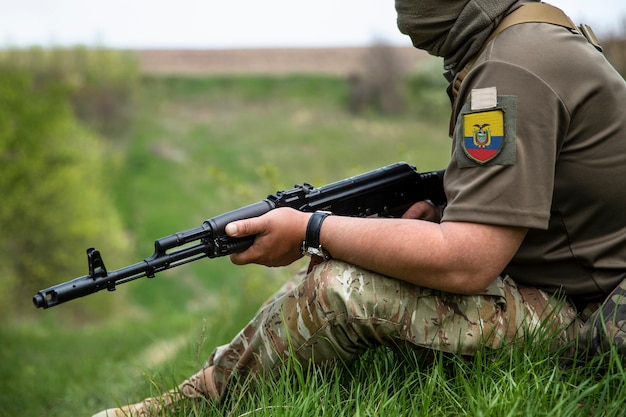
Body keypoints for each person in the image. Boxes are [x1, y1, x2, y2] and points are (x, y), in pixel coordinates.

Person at [94, 0, 626, 415]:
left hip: (594, 312)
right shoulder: (533, 36)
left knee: (339, 289)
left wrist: (312, 228)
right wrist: (433, 218)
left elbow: (469, 261)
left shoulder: (511, 71)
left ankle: (200, 403)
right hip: (587, 280)